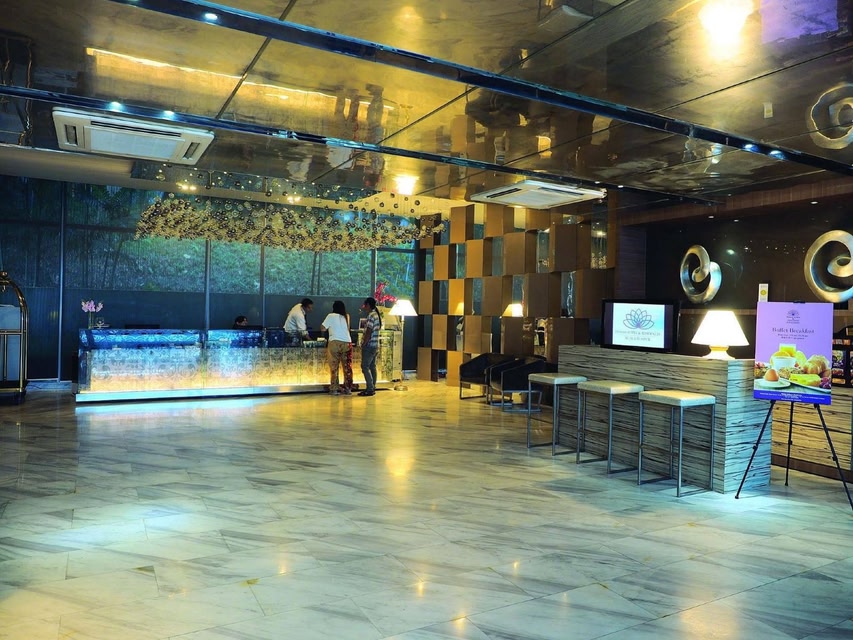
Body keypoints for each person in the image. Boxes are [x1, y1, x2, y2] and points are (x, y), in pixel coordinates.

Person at [321, 300, 353, 395]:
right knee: (347, 367)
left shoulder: (330, 316)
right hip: (347, 342)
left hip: (334, 342)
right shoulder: (346, 316)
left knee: (334, 367)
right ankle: (348, 389)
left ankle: (334, 389)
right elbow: (347, 330)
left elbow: (322, 328)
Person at [359, 297, 382, 396]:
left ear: (368, 305)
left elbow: (369, 330)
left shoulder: (371, 315)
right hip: (375, 345)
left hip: (369, 345)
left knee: (365, 366)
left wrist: (364, 343)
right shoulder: (376, 315)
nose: (363, 307)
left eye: (364, 305)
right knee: (372, 366)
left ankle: (370, 388)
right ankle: (373, 387)